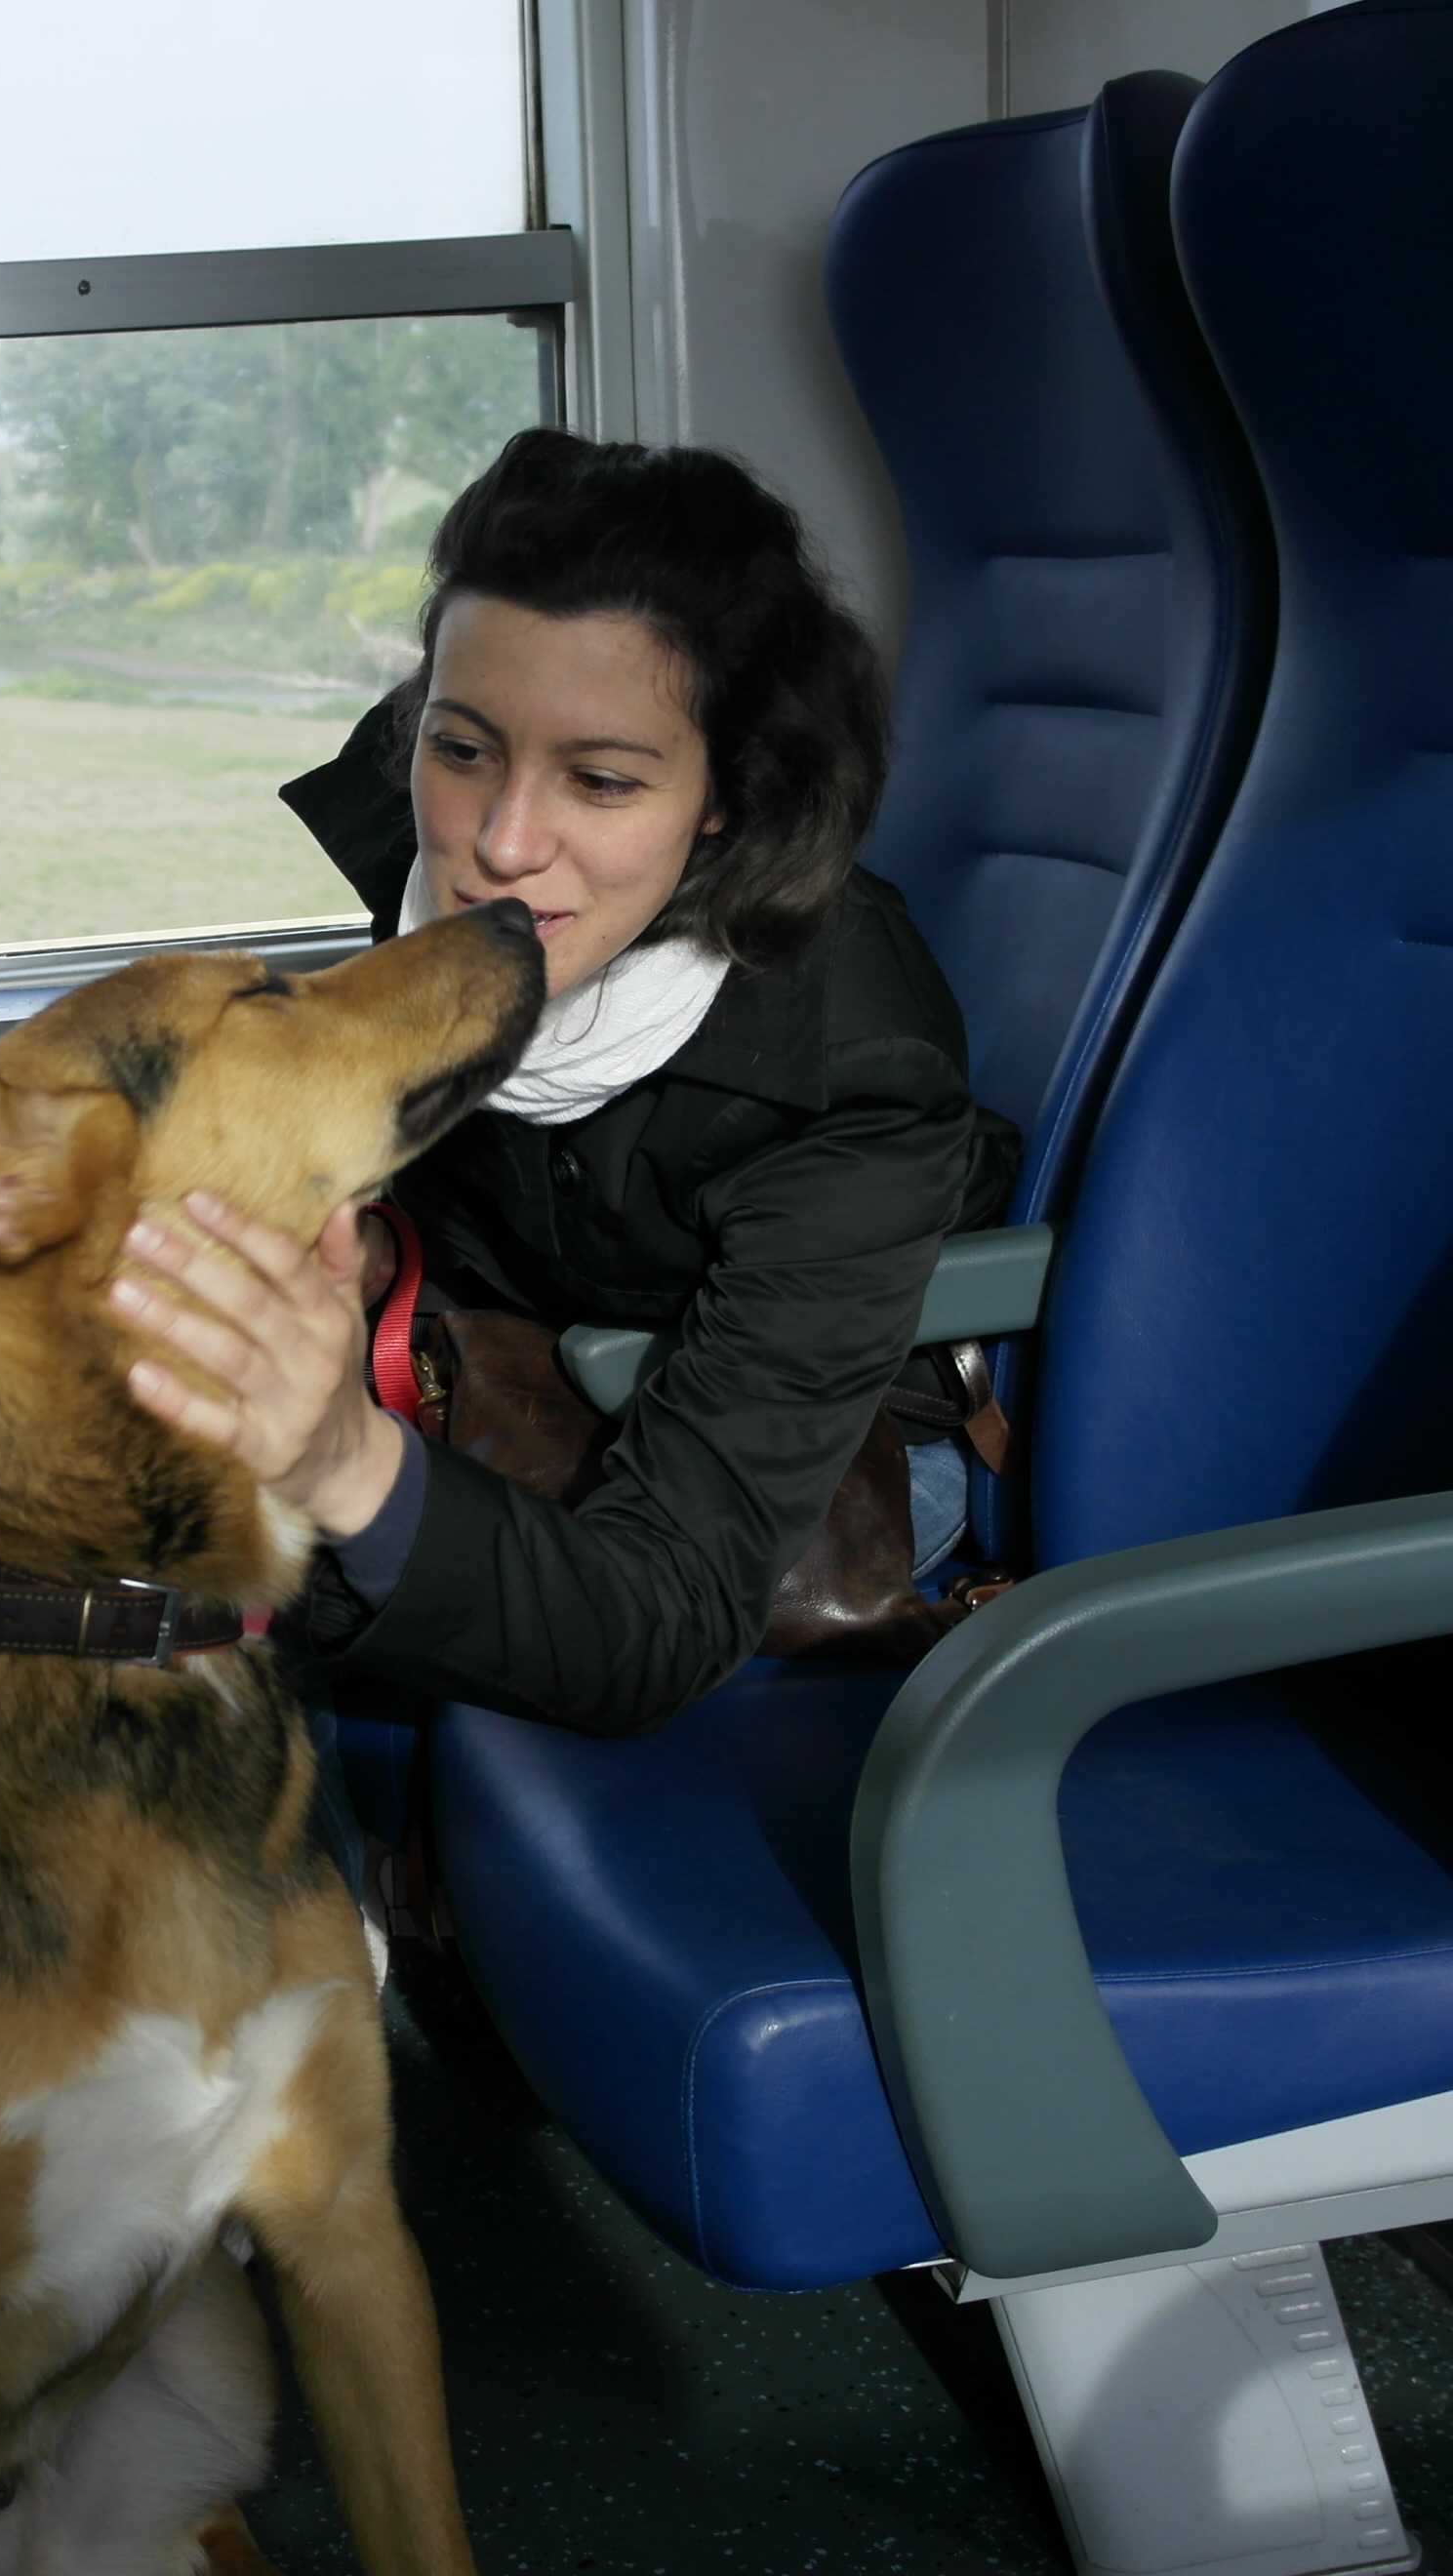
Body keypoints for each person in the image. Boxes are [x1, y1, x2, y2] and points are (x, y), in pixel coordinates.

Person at [105, 430, 1019, 1739]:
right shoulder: (433, 834)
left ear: (727, 795)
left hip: (785, 1454)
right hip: (508, 1345)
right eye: (462, 748)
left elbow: (662, 1617)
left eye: (601, 781)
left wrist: (340, 1458)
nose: (500, 845)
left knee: (249, 1635)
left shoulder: (849, 1080)